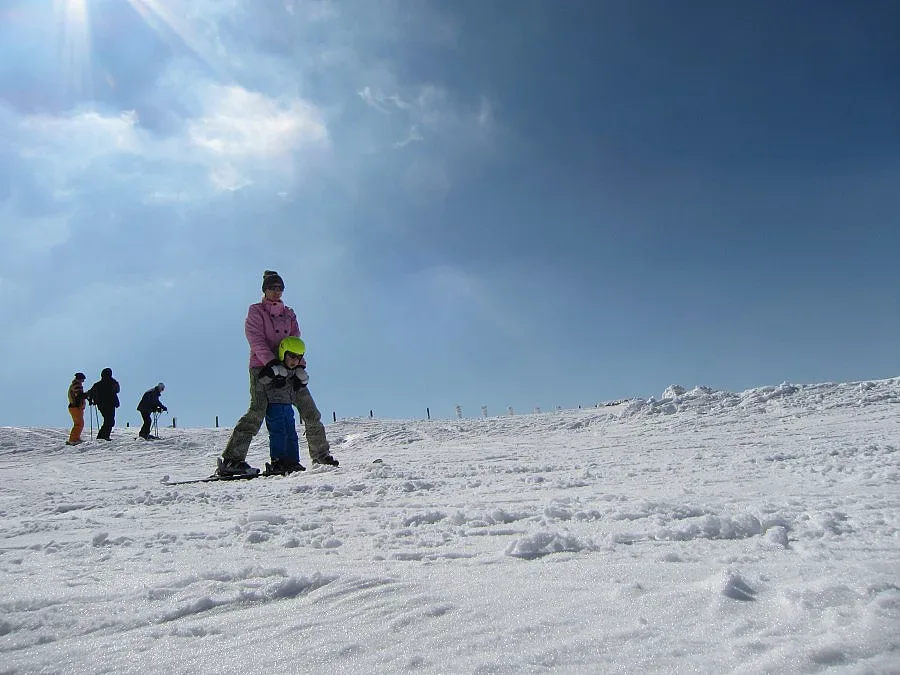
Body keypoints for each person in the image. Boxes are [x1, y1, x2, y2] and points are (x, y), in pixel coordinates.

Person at [217, 270, 338, 477]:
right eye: (272, 288)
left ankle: (320, 455)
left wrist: (300, 366)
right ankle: (232, 460)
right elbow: (255, 339)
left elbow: (295, 340)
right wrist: (272, 363)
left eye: (280, 288)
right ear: (264, 290)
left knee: (310, 411)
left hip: (290, 367)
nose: (276, 292)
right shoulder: (256, 311)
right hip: (263, 368)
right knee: (257, 411)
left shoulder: (288, 313)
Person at [259, 336, 309, 474]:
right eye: (291, 356)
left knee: (291, 434)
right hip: (274, 406)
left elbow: (302, 383)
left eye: (298, 357)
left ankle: (293, 461)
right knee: (278, 433)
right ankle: (278, 461)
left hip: (288, 406)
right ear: (283, 353)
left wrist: (303, 379)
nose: (294, 360)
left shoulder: (294, 371)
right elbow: (262, 379)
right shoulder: (277, 368)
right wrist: (273, 372)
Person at [85, 367, 120, 441]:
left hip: (102, 405)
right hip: (110, 404)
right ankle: (103, 436)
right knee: (109, 420)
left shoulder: (98, 384)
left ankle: (102, 436)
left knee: (108, 420)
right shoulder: (112, 382)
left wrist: (90, 399)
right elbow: (117, 390)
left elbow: (90, 393)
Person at [66, 372, 88, 446]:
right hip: (75, 407)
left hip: (75, 406)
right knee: (79, 424)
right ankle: (73, 440)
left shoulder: (75, 385)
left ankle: (75, 438)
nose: (83, 381)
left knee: (79, 423)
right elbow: (79, 396)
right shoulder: (77, 385)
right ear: (80, 379)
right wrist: (87, 394)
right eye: (83, 379)